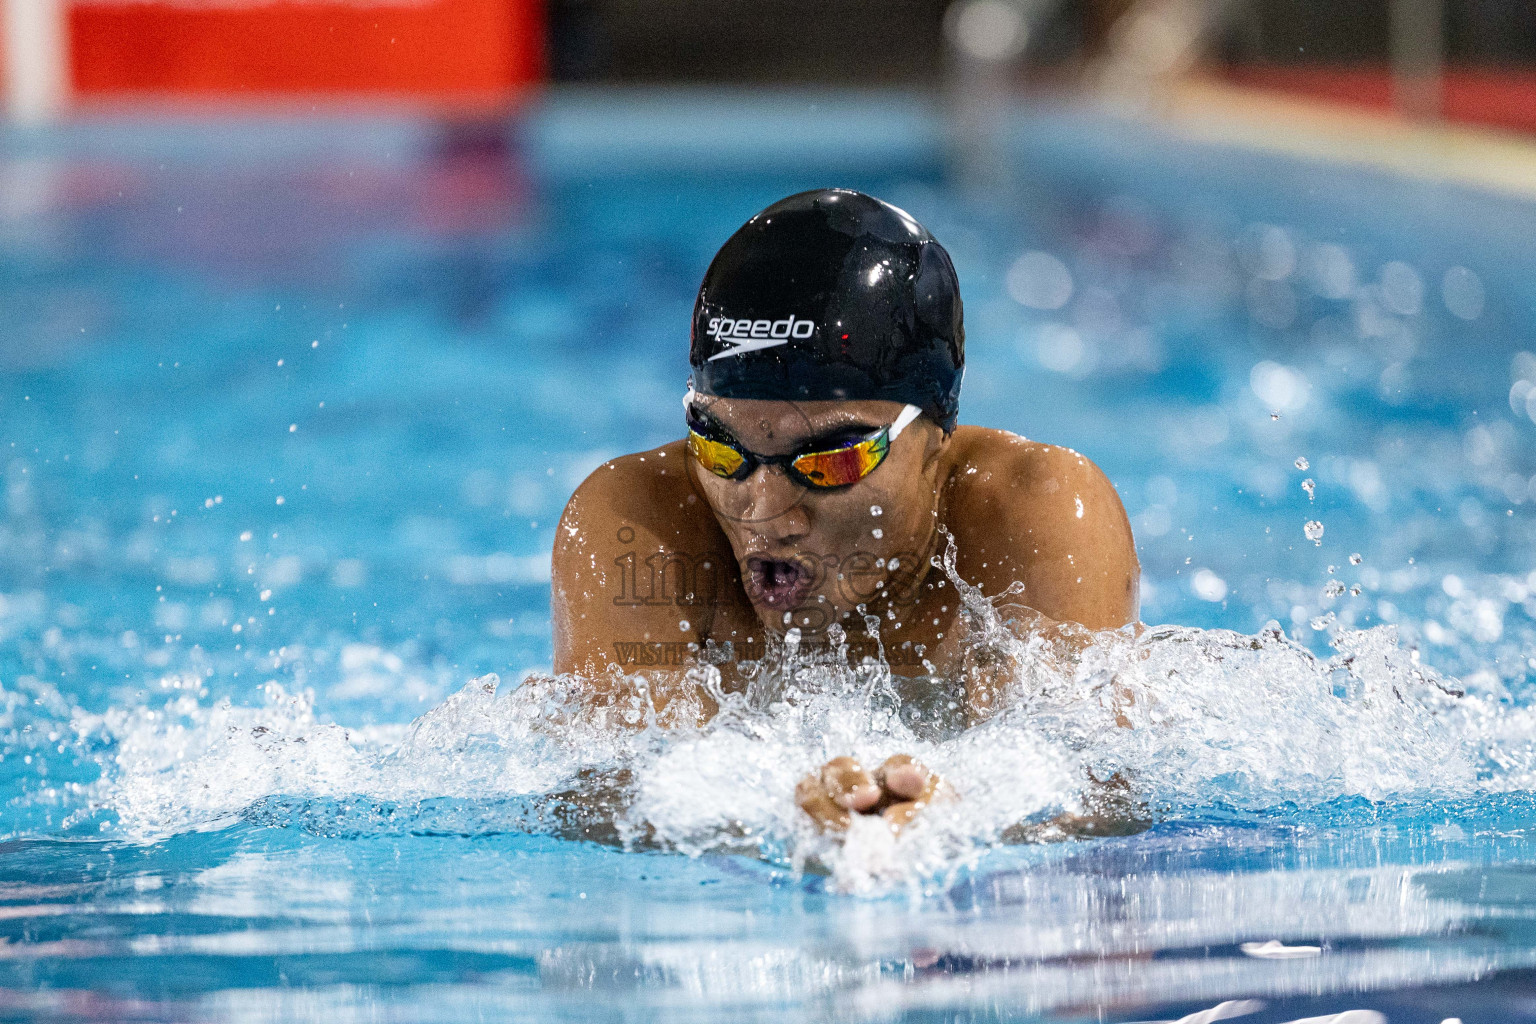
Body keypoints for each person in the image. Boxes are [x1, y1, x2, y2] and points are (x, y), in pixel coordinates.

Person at [552, 189, 1139, 835]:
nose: (764, 513)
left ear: (936, 433)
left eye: (828, 460)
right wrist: (773, 818)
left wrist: (957, 814)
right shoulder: (639, 519)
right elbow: (605, 804)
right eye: (720, 449)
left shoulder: (1034, 507)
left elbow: (1092, 797)